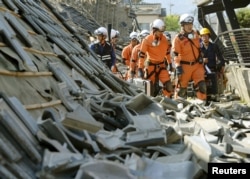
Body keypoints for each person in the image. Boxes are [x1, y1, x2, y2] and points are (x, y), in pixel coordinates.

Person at [172, 13, 207, 101]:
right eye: (187, 24)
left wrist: (201, 56)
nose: (189, 26)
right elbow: (175, 54)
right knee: (182, 89)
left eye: (191, 24)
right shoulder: (178, 38)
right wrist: (177, 66)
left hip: (197, 65)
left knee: (202, 85)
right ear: (182, 25)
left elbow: (200, 47)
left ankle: (202, 104)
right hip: (184, 66)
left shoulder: (196, 34)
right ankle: (179, 106)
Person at [137, 19, 173, 97]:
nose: (161, 34)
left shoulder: (164, 39)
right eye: (159, 32)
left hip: (161, 65)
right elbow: (142, 55)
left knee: (169, 85)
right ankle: (150, 103)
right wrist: (140, 68)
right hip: (150, 66)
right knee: (149, 88)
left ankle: (167, 102)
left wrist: (170, 63)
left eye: (162, 32)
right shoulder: (147, 40)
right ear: (154, 30)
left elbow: (167, 52)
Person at [200, 27, 226, 100]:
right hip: (201, 69)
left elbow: (220, 57)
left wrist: (221, 65)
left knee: (214, 84)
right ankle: (204, 97)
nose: (204, 37)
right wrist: (202, 60)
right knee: (202, 84)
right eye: (203, 36)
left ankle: (214, 97)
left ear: (209, 36)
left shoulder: (214, 46)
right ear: (201, 37)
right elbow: (195, 58)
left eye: (206, 35)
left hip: (212, 68)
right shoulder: (198, 47)